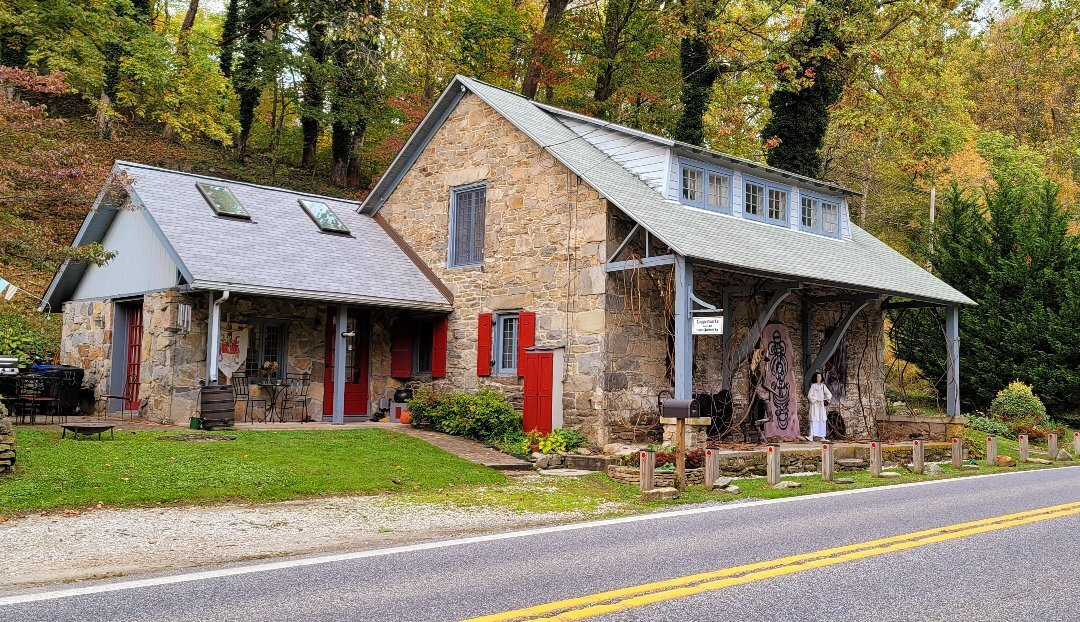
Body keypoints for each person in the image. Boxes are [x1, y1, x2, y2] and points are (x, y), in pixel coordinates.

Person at [806, 371, 833, 441]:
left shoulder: (823, 386)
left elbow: (829, 394)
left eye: (820, 377)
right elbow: (809, 396)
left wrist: (826, 399)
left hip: (821, 406)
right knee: (814, 419)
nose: (819, 378)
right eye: (817, 377)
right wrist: (817, 399)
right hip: (815, 405)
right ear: (815, 378)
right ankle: (811, 436)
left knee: (822, 420)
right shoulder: (813, 386)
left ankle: (822, 437)